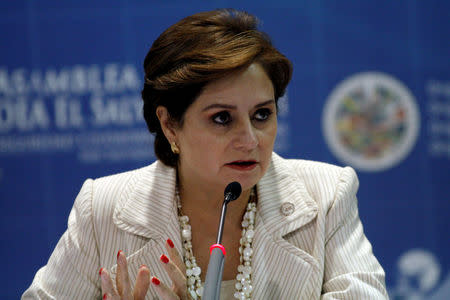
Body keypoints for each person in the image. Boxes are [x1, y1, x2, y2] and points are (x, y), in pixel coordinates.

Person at [23, 9, 388, 300]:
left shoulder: (326, 195)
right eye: (222, 118)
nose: (249, 139)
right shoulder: (102, 208)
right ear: (169, 126)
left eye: (262, 114)